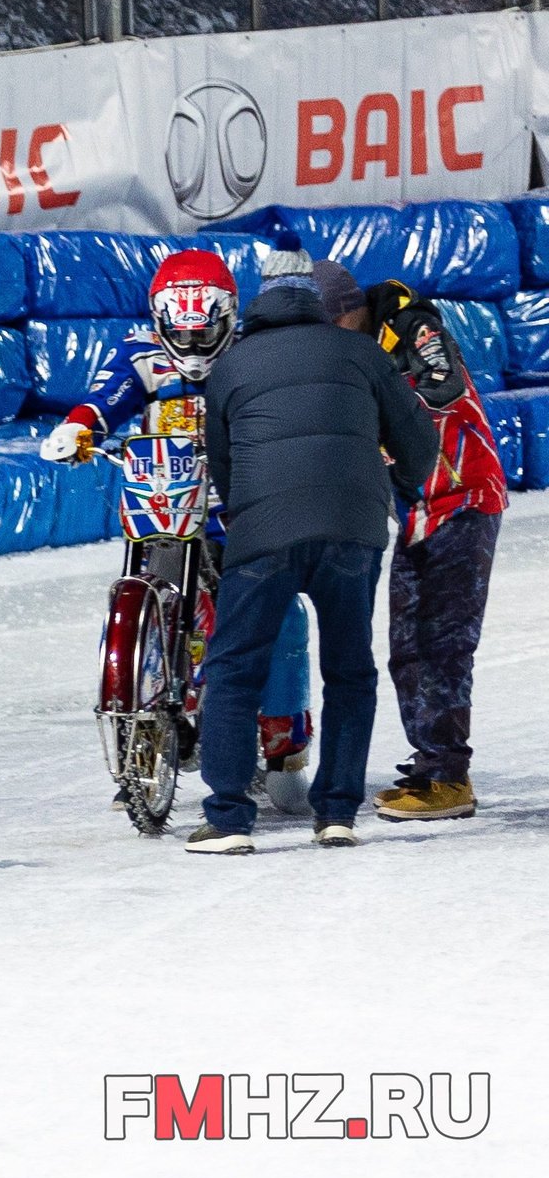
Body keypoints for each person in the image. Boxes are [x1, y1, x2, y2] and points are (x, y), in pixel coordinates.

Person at [40, 250, 318, 806]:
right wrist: (79, 428)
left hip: (243, 509)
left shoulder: (257, 353)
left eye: (205, 331)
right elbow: (107, 397)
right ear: (160, 319)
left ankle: (284, 747)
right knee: (138, 611)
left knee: (282, 616)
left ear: (229, 315)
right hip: (164, 510)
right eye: (181, 333)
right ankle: (140, 736)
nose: (192, 348)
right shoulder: (141, 355)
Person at [187, 249, 437, 854]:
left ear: (260, 300)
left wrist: (249, 511)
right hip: (353, 527)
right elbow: (420, 440)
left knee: (233, 667)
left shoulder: (231, 365)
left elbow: (221, 464)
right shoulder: (363, 353)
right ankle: (337, 812)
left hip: (263, 532)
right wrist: (397, 491)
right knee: (349, 668)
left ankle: (227, 819)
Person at [337, 269, 504, 821]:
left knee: (443, 642)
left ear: (350, 310)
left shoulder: (412, 324)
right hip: (416, 510)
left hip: (464, 496)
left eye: (333, 320)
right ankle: (432, 762)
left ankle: (449, 777)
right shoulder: (353, 351)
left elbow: (445, 385)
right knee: (407, 647)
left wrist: (380, 406)